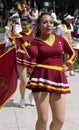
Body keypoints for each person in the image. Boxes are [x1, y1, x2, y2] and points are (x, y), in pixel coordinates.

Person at [21, 12, 76, 130]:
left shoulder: (60, 39)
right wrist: (24, 40)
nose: (48, 25)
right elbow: (33, 54)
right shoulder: (35, 41)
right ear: (39, 25)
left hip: (58, 78)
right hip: (40, 78)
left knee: (59, 119)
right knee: (43, 119)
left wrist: (67, 64)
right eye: (44, 22)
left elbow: (73, 53)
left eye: (51, 22)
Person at [7, 16, 36, 107]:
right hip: (22, 57)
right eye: (22, 25)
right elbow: (16, 47)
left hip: (32, 57)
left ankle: (32, 95)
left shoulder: (35, 33)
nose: (23, 27)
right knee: (23, 80)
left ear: (30, 24)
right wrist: (12, 38)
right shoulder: (19, 34)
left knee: (34, 80)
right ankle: (22, 98)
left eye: (25, 25)